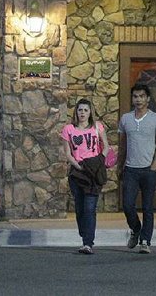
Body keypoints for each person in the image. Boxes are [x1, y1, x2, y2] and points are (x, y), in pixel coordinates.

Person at [118, 82, 156, 254]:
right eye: (135, 96)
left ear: (147, 99)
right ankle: (136, 229)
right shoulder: (126, 119)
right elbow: (123, 145)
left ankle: (145, 241)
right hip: (130, 169)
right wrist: (119, 165)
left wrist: (154, 165)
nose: (138, 100)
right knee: (128, 205)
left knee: (147, 207)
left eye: (141, 96)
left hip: (148, 169)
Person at [61, 98, 109, 255]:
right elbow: (68, 153)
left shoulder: (97, 127)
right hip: (77, 171)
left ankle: (88, 242)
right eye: (80, 110)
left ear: (90, 112)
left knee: (90, 208)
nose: (82, 113)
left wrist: (99, 160)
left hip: (93, 171)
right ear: (76, 112)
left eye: (85, 110)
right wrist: (77, 165)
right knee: (80, 207)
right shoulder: (69, 129)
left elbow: (106, 146)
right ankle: (84, 233)